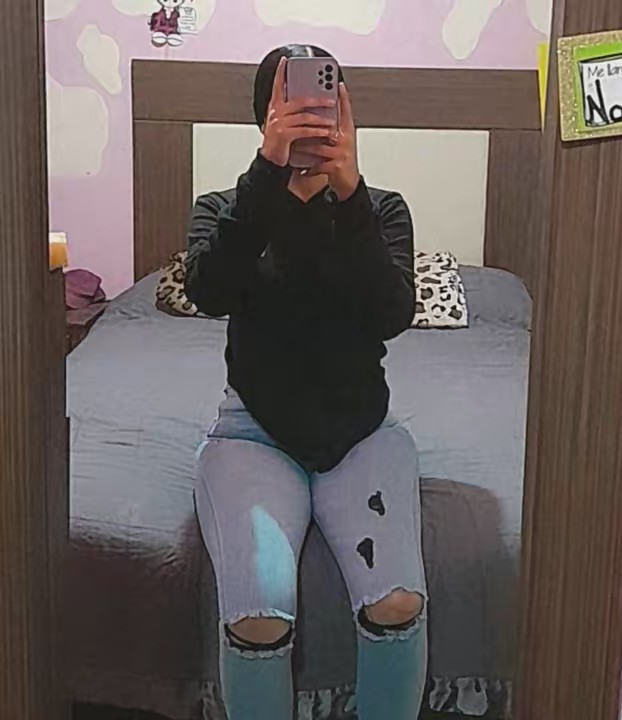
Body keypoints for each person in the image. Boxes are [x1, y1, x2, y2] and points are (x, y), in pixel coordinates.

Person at [185, 44, 427, 720]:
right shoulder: (228, 209)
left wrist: (350, 196)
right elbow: (209, 290)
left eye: (326, 103)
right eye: (291, 106)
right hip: (251, 433)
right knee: (258, 614)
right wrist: (267, 175)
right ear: (264, 118)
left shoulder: (380, 210)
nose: (312, 119)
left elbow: (390, 314)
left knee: (396, 602)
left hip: (361, 431)